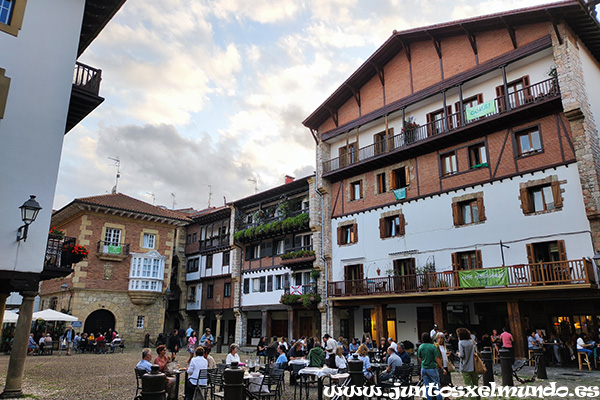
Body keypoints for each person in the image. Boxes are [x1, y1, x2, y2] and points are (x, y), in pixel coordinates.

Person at [417, 333, 444, 400]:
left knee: (427, 386)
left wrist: (423, 363)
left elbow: (419, 358)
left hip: (424, 368)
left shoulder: (420, 347)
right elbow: (437, 358)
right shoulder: (433, 347)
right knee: (436, 385)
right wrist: (442, 367)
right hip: (432, 368)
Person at [457, 328, 480, 400]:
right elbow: (476, 351)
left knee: (469, 385)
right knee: (475, 384)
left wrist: (458, 354)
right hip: (474, 365)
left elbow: (462, 355)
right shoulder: (472, 342)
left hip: (465, 366)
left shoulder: (461, 343)